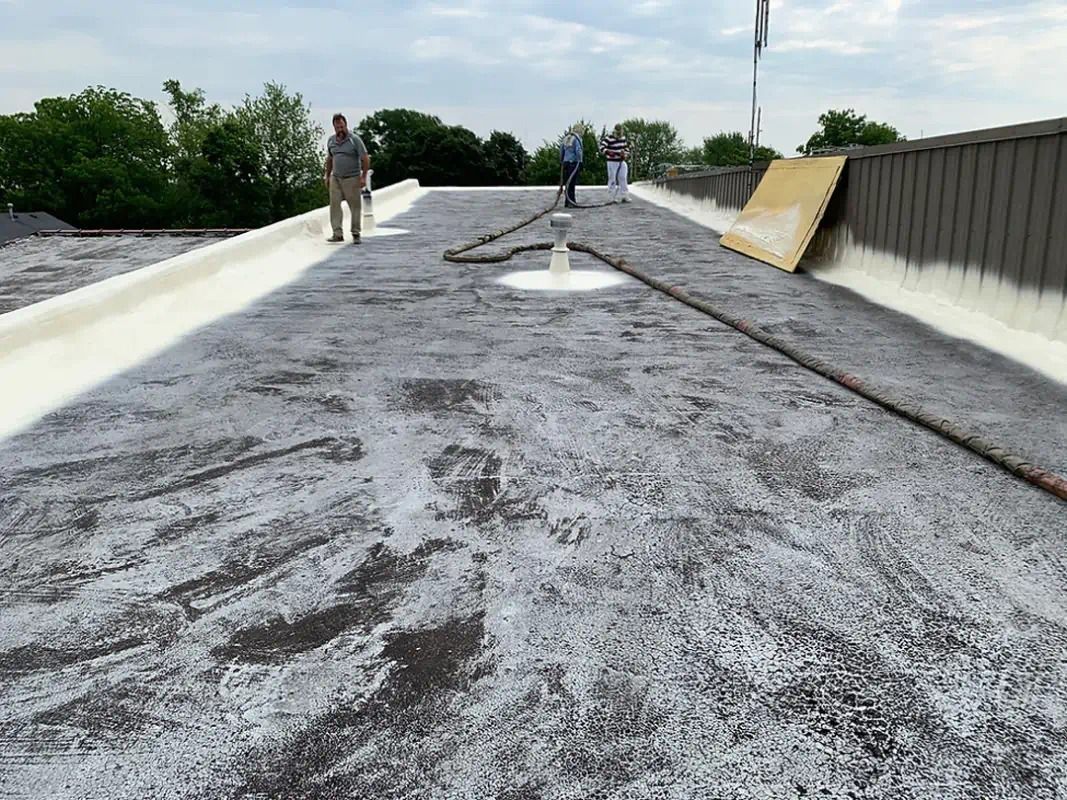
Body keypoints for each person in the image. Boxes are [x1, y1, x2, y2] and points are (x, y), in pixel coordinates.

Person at [324, 113, 370, 244]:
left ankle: (356, 233)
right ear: (334, 127)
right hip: (336, 178)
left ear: (346, 125)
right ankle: (337, 233)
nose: (340, 130)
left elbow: (365, 158)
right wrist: (327, 176)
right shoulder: (331, 141)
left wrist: (363, 176)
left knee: (355, 206)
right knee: (334, 205)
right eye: (337, 127)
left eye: (342, 127)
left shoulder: (354, 140)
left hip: (352, 177)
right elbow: (330, 159)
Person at [599, 124, 630, 203]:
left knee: (623, 177)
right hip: (612, 161)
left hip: (621, 161)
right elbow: (601, 147)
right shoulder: (609, 138)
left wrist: (625, 155)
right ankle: (611, 197)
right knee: (612, 178)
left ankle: (624, 195)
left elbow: (626, 149)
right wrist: (608, 152)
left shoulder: (623, 138)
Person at [559, 125, 584, 208]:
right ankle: (572, 201)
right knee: (572, 183)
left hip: (565, 163)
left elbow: (561, 150)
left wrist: (562, 161)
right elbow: (578, 151)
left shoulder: (566, 138)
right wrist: (580, 161)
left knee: (567, 183)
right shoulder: (577, 139)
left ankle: (567, 202)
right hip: (573, 163)